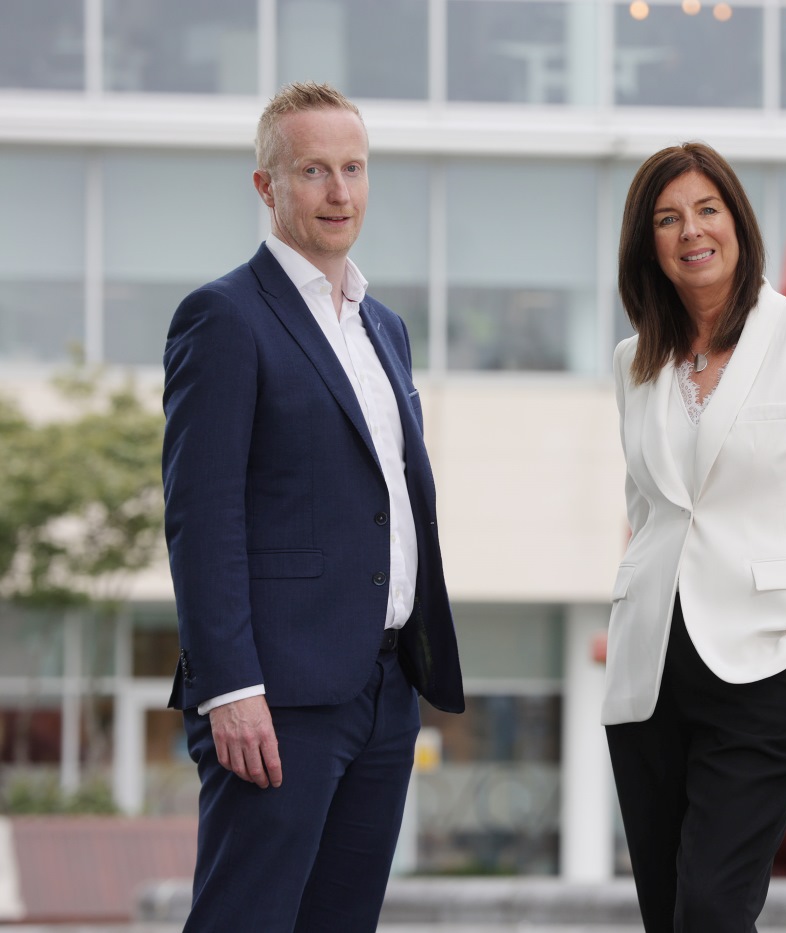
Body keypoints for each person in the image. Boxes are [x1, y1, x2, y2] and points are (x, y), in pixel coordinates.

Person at [162, 82, 464, 933]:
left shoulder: (384, 326)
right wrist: (230, 687)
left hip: (384, 685)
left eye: (354, 169)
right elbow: (201, 514)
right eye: (314, 171)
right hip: (277, 693)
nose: (340, 192)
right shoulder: (223, 317)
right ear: (268, 187)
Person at [604, 142, 786, 931]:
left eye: (706, 210)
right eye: (667, 219)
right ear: (647, 244)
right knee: (669, 913)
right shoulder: (635, 362)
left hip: (767, 666)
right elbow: (650, 509)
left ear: (737, 221)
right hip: (649, 671)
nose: (690, 231)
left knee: (713, 906)